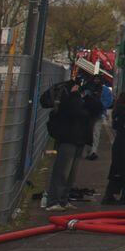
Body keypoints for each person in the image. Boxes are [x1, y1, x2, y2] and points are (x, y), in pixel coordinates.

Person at [39, 61, 103, 210]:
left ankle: (63, 199)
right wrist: (75, 95)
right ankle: (54, 200)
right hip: (68, 135)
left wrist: (89, 96)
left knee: (71, 172)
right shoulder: (67, 92)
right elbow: (73, 111)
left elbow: (96, 109)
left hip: (80, 136)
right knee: (62, 170)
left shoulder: (85, 94)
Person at [86, 71, 113, 161]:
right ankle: (93, 151)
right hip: (98, 113)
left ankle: (91, 151)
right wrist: (101, 106)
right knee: (95, 133)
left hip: (90, 114)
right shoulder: (105, 90)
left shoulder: (89, 89)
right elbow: (109, 102)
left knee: (91, 133)